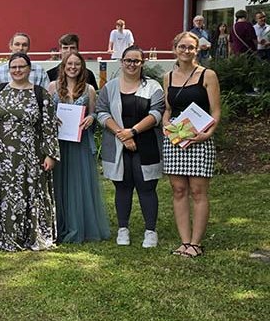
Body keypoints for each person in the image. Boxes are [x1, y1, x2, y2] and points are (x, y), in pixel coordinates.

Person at [0, 53, 60, 251]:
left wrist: (50, 154)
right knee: (1, 194)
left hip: (29, 158)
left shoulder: (40, 94)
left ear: (29, 68)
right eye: (13, 67)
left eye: (21, 66)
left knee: (28, 194)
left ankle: (29, 234)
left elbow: (49, 127)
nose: (17, 70)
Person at [96, 46, 165, 248]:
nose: (132, 64)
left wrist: (132, 132)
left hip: (147, 144)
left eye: (136, 61)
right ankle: (123, 229)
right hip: (118, 143)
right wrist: (122, 134)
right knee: (122, 186)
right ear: (122, 61)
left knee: (147, 186)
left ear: (142, 63)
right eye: (128, 60)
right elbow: (101, 112)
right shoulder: (110, 87)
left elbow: (157, 114)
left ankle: (150, 231)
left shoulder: (153, 87)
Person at [162, 32, 221, 257]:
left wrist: (207, 134)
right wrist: (167, 125)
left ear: (197, 50)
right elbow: (168, 109)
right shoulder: (168, 76)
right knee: (178, 190)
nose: (186, 51)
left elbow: (215, 111)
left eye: (191, 47)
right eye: (182, 47)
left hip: (199, 138)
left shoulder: (208, 75)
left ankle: (196, 244)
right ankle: (184, 241)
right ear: (175, 48)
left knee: (198, 191)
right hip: (176, 138)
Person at [48, 54, 110, 243]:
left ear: (82, 67)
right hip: (58, 142)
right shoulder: (52, 87)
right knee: (58, 182)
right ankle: (58, 226)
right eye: (69, 64)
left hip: (79, 142)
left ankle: (78, 225)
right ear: (63, 66)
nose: (72, 67)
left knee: (78, 183)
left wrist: (91, 118)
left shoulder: (89, 89)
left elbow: (94, 113)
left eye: (77, 64)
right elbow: (46, 113)